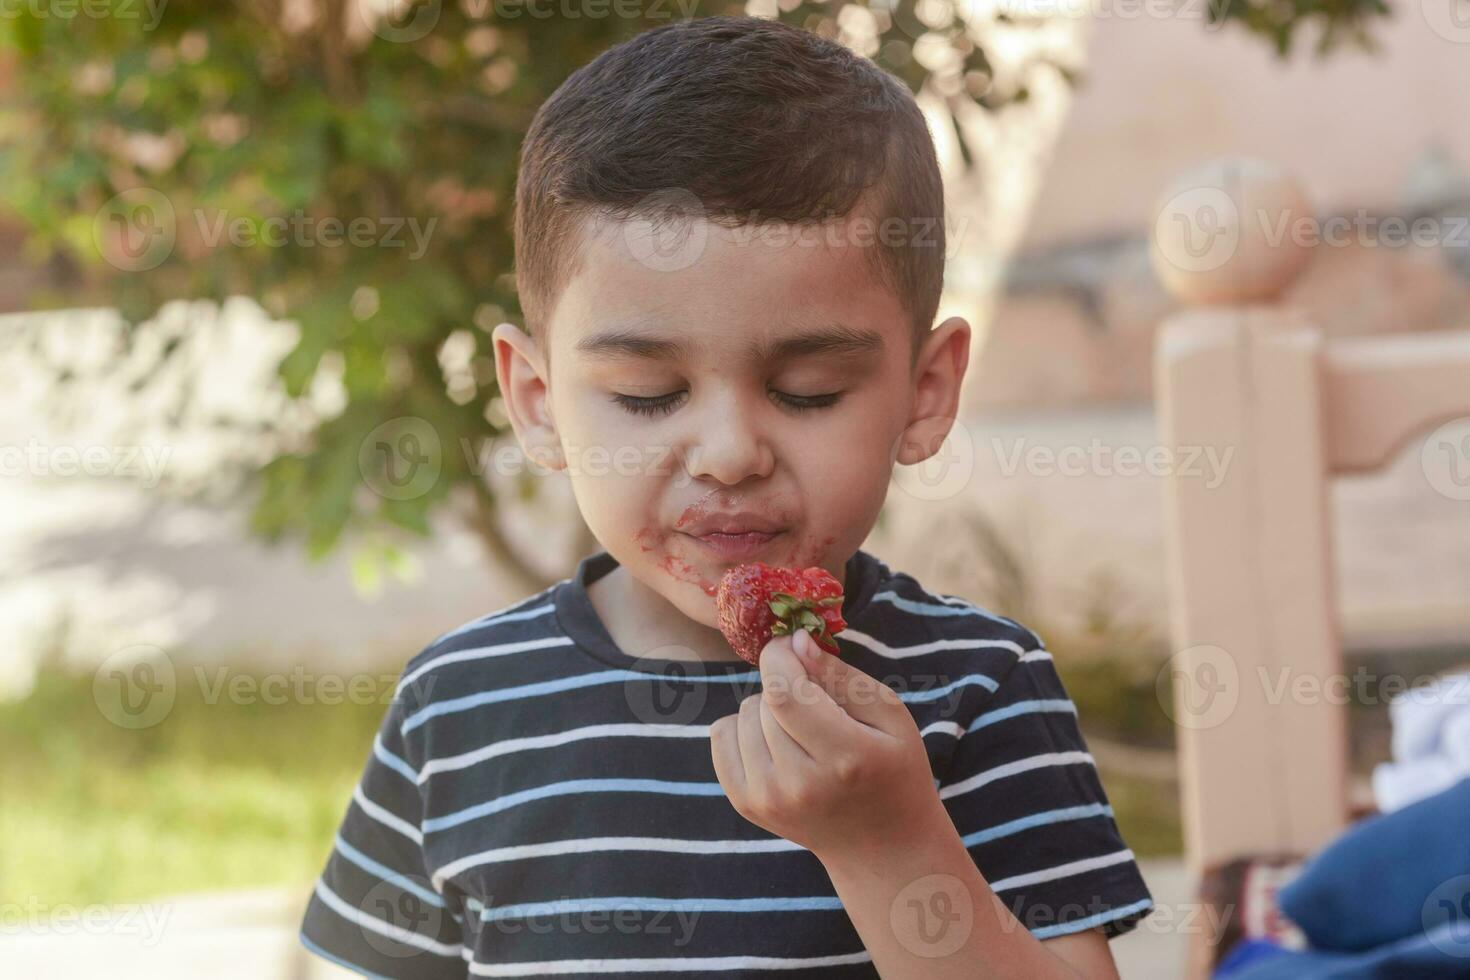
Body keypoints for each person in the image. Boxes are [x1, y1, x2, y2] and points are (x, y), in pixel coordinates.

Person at [299, 15, 1153, 978]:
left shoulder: (980, 689)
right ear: (537, 403)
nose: (730, 453)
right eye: (646, 395)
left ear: (925, 393)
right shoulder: (455, 712)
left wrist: (888, 846)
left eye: (808, 392)